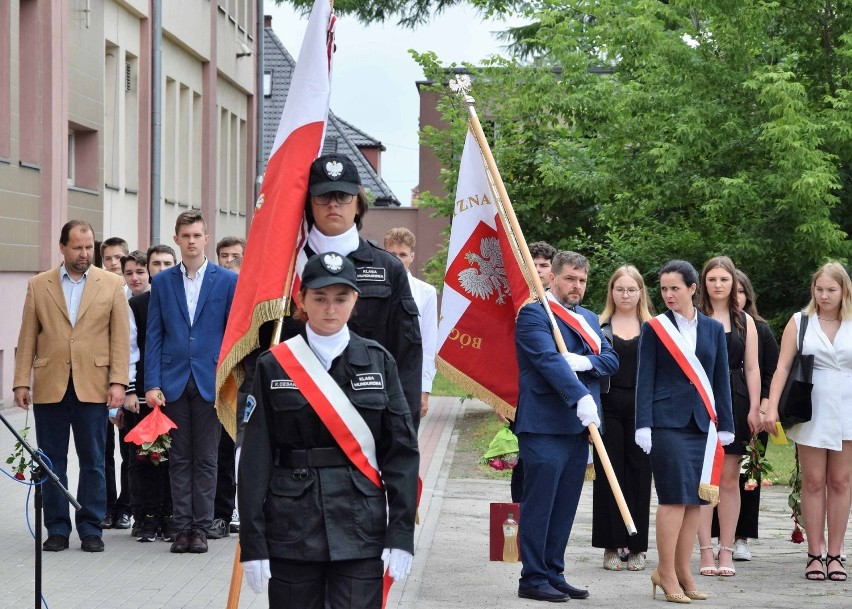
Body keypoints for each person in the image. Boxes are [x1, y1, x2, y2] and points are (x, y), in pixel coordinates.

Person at [238, 252, 419, 608]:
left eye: (341, 298)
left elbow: (401, 454)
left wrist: (401, 534)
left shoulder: (379, 361)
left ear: (355, 300)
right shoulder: (273, 365)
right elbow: (255, 457)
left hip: (359, 523)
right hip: (292, 524)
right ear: (302, 300)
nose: (330, 308)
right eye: (319, 298)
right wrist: (253, 540)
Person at [13, 220, 130, 553]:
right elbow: (27, 336)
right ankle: (57, 528)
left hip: (94, 385)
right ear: (62, 247)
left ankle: (91, 526)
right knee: (51, 461)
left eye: (89, 246)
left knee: (93, 460)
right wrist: (21, 381)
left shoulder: (112, 284)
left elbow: (120, 339)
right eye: (77, 247)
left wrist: (118, 382)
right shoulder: (39, 285)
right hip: (50, 384)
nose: (84, 253)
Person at [514, 251, 619, 602]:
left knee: (565, 504)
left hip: (579, 428)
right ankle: (532, 577)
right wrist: (578, 395)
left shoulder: (588, 317)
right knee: (540, 503)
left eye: (582, 280)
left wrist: (585, 361)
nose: (577, 286)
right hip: (545, 423)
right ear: (553, 278)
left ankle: (553, 571)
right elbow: (546, 360)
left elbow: (610, 358)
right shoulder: (534, 314)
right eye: (570, 278)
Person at [635, 259, 734, 602]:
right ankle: (665, 572)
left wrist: (727, 426)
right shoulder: (655, 327)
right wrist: (643, 423)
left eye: (675, 288)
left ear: (693, 289)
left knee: (696, 502)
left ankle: (682, 570)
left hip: (703, 426)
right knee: (674, 498)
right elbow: (643, 378)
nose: (668, 294)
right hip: (666, 423)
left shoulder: (712, 329)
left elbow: (721, 378)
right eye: (663, 289)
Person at [145, 211, 238, 554]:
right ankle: (180, 526)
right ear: (177, 238)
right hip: (172, 381)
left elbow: (233, 335)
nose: (192, 241)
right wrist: (151, 383)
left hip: (211, 381)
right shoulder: (164, 281)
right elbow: (154, 335)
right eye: (186, 235)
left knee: (207, 458)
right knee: (179, 458)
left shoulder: (226, 281)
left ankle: (200, 527)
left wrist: (231, 380)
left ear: (206, 238)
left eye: (197, 235)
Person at [764, 261, 852, 582]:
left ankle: (836, 553)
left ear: (844, 291)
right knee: (814, 482)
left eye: (831, 289)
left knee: (841, 482)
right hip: (810, 408)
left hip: (848, 409)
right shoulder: (800, 322)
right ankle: (815, 553)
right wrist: (771, 406)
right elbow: (783, 368)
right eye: (820, 289)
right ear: (812, 289)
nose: (825, 295)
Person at [695, 256, 761, 577]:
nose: (718, 285)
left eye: (724, 279)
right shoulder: (692, 316)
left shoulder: (745, 322)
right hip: (700, 400)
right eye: (712, 279)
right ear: (703, 283)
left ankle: (727, 550)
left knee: (729, 480)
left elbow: (752, 368)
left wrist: (754, 407)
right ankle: (705, 550)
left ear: (734, 282)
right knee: (705, 479)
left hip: (735, 399)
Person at [711, 270, 779, 561]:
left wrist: (763, 406)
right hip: (717, 405)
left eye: (740, 291)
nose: (733, 295)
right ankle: (714, 536)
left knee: (745, 477)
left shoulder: (759, 328)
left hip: (752, 408)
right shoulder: (708, 322)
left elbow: (769, 372)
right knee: (716, 476)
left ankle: (742, 537)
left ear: (746, 295)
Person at [592, 265, 653, 572]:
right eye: (620, 289)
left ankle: (638, 546)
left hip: (642, 412)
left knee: (640, 475)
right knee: (608, 475)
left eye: (631, 289)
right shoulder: (598, 326)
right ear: (611, 292)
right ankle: (611, 545)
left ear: (640, 292)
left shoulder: (653, 327)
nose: (625, 294)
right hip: (607, 409)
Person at [124, 245, 177, 542]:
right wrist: (130, 389)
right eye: (155, 263)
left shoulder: (181, 301)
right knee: (142, 459)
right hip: (142, 393)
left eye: (167, 263)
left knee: (170, 458)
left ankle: (168, 516)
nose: (160, 268)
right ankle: (144, 517)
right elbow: (129, 349)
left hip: (176, 392)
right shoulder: (137, 305)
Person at [384, 227, 437, 419]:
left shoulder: (426, 292)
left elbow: (429, 343)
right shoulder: (370, 290)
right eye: (392, 254)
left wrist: (425, 389)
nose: (397, 259)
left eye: (403, 254)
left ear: (412, 256)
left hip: (410, 377)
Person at [101, 236, 133, 530]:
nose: (114, 263)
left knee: (127, 452)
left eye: (119, 258)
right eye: (109, 258)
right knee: (102, 451)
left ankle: (125, 506)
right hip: (99, 383)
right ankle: (106, 506)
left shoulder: (133, 296)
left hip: (127, 383)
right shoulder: (97, 293)